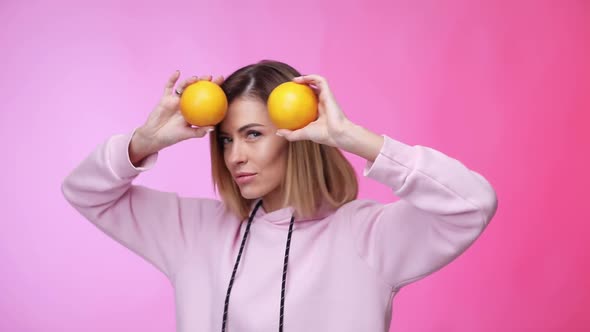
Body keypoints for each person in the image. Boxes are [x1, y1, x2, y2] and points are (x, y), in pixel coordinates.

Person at [61, 60, 498, 332]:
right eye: (226, 140)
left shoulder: (369, 237)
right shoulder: (194, 233)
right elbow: (85, 191)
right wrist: (145, 141)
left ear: (297, 137)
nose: (236, 155)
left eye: (253, 135)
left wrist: (351, 137)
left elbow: (472, 203)